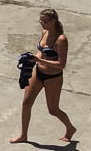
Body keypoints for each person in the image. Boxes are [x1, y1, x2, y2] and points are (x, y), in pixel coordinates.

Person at [10, 9, 76, 144]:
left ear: (53, 21)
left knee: (53, 110)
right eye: (41, 21)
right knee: (26, 102)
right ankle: (23, 135)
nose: (42, 24)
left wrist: (39, 60)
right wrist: (32, 58)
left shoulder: (61, 39)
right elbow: (41, 53)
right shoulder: (45, 33)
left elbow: (61, 64)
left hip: (53, 77)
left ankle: (70, 128)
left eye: (45, 21)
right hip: (38, 73)